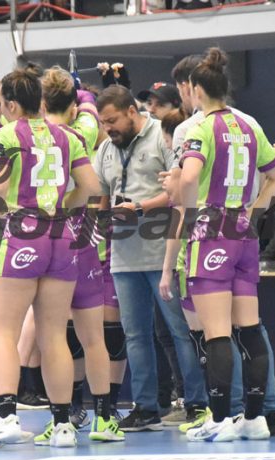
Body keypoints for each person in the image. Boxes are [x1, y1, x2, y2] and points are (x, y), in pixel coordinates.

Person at [0, 67, 100, 449]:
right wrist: (62, 206)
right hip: (61, 234)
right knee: (54, 335)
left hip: (19, 234)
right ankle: (62, 425)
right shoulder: (67, 136)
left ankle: (6, 416)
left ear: (12, 104)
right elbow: (91, 187)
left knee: (3, 332)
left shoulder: (3, 136)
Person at [161, 52, 275, 437]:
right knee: (249, 329)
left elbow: (189, 177)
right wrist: (254, 209)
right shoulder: (249, 126)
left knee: (215, 333)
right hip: (243, 232)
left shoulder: (199, 128)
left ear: (196, 90)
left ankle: (219, 421)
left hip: (211, 231)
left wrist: (188, 209)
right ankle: (255, 419)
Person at [93, 84, 208, 432]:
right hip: (124, 256)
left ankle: (197, 403)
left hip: (163, 253)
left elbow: (179, 189)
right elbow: (102, 195)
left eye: (113, 120)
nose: (108, 128)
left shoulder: (163, 136)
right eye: (103, 123)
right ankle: (145, 407)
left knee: (180, 331)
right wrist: (102, 218)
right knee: (135, 335)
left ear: (132, 111)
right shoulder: (106, 149)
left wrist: (141, 207)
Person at [41, 65, 125, 441]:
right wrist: (81, 91)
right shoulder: (84, 130)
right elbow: (89, 107)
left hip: (51, 240)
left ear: (42, 104)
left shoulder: (32, 135)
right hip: (87, 239)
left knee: (54, 336)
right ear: (73, 106)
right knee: (94, 337)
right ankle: (104, 419)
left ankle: (62, 420)